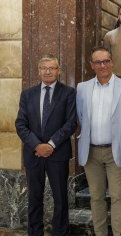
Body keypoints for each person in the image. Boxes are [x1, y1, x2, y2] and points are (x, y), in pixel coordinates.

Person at [76, 46, 121, 236]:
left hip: (116, 151)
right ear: (92, 65)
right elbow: (80, 118)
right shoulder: (82, 88)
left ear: (112, 62)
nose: (102, 65)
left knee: (118, 197)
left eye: (105, 61)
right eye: (98, 62)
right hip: (91, 152)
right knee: (96, 198)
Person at [15, 55, 77, 236]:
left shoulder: (68, 93)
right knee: (34, 198)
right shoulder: (27, 94)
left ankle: (60, 233)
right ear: (38, 71)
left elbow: (71, 123)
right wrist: (37, 145)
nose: (48, 71)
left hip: (57, 154)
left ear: (59, 70)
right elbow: (20, 124)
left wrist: (50, 144)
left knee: (60, 199)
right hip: (34, 154)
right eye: (44, 68)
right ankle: (35, 232)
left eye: (52, 68)